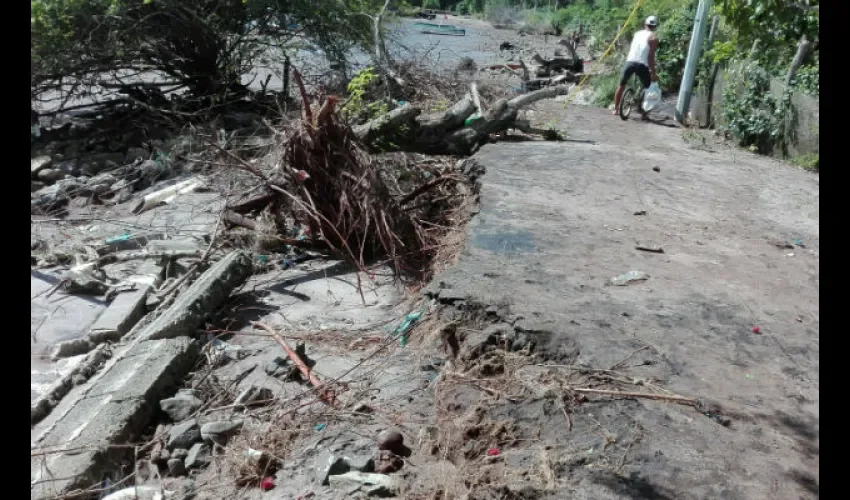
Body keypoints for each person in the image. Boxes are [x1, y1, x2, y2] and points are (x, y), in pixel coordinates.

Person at [613, 15, 659, 119]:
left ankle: (615, 109)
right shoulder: (653, 37)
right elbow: (651, 56)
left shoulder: (637, 34)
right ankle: (644, 113)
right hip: (642, 65)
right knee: (649, 87)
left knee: (621, 85)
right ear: (655, 26)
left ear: (645, 24)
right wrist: (653, 71)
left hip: (629, 62)